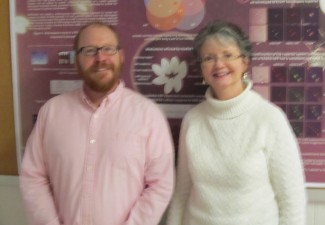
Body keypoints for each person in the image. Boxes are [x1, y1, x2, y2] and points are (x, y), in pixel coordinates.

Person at [19, 21, 175, 225]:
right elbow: (33, 177)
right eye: (89, 50)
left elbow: (160, 185)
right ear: (77, 61)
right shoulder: (52, 112)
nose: (100, 58)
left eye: (108, 49)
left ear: (121, 56)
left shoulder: (148, 115)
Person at [166, 20, 306, 225]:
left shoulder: (269, 118)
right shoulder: (193, 120)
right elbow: (182, 192)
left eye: (228, 55)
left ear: (245, 62)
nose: (219, 64)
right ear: (202, 69)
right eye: (209, 58)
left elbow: (292, 199)